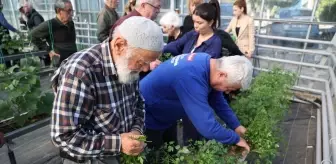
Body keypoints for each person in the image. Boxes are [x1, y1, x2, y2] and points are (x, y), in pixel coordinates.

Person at [50, 16, 164, 164]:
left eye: (148, 63)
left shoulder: (128, 66)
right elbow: (64, 137)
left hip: (119, 154)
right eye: (141, 62)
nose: (144, 69)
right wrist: (118, 143)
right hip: (89, 159)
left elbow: (139, 104)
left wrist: (137, 131)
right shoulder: (81, 72)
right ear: (119, 45)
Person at [140, 53, 252, 153]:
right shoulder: (191, 77)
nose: (227, 91)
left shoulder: (208, 64)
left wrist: (236, 126)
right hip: (147, 118)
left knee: (171, 151)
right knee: (152, 154)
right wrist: (236, 139)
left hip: (165, 116)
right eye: (229, 87)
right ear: (222, 75)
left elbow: (217, 101)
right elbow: (207, 127)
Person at [29, 0, 77, 67]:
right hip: (59, 64)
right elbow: (32, 35)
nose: (71, 13)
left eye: (72, 10)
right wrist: (49, 49)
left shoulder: (70, 23)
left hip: (73, 61)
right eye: (69, 11)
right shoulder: (50, 25)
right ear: (59, 11)